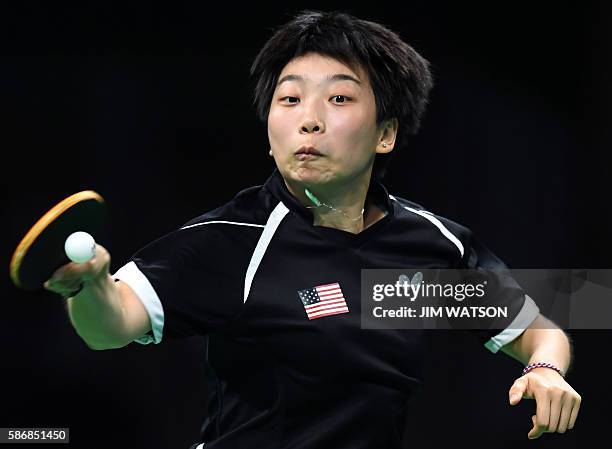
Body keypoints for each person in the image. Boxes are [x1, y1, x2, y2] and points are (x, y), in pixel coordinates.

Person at [44, 10, 581, 449]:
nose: (310, 118)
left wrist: (546, 370)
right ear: (270, 134)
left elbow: (540, 330)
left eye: (340, 98)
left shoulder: (423, 251)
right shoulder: (233, 241)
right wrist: (88, 284)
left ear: (386, 134)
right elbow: (109, 325)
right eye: (290, 98)